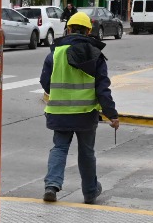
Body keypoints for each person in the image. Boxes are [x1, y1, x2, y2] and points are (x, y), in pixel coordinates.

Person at [39, 11, 120, 205]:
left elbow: (45, 82)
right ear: (88, 32)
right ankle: (90, 193)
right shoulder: (96, 55)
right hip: (86, 114)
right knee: (86, 153)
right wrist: (112, 115)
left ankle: (52, 186)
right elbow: (103, 89)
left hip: (59, 113)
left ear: (68, 29)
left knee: (59, 148)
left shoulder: (55, 54)